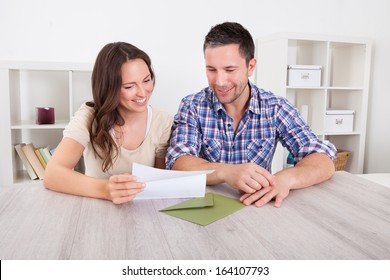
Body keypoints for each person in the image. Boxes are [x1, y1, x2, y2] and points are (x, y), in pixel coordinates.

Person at [166, 22, 337, 208]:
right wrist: (225, 172)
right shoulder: (192, 105)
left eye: (230, 70)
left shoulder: (275, 107)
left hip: (257, 208)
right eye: (211, 70)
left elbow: (323, 160)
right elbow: (178, 162)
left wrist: (286, 179)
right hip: (207, 208)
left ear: (251, 66)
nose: (220, 81)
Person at [44, 42, 173, 204]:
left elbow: (158, 183)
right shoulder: (89, 116)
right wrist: (106, 189)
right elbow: (52, 174)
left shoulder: (163, 121)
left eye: (146, 80)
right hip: (96, 213)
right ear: (109, 88)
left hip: (143, 215)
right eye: (129, 86)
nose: (142, 92)